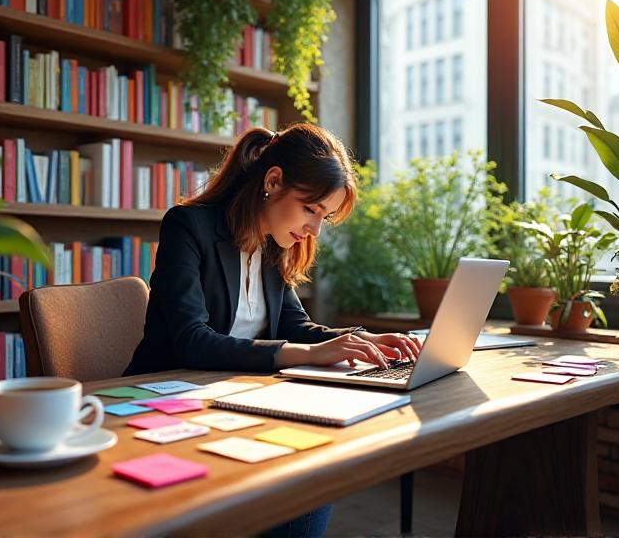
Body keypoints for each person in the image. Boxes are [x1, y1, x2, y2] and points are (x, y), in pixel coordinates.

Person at [125, 122, 422, 537]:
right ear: (273, 181)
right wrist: (304, 354)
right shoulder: (188, 226)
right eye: (311, 209)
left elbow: (294, 326)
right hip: (167, 405)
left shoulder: (273, 244)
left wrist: (358, 340)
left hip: (232, 400)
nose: (315, 229)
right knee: (303, 480)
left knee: (313, 472)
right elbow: (191, 340)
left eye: (325, 216)